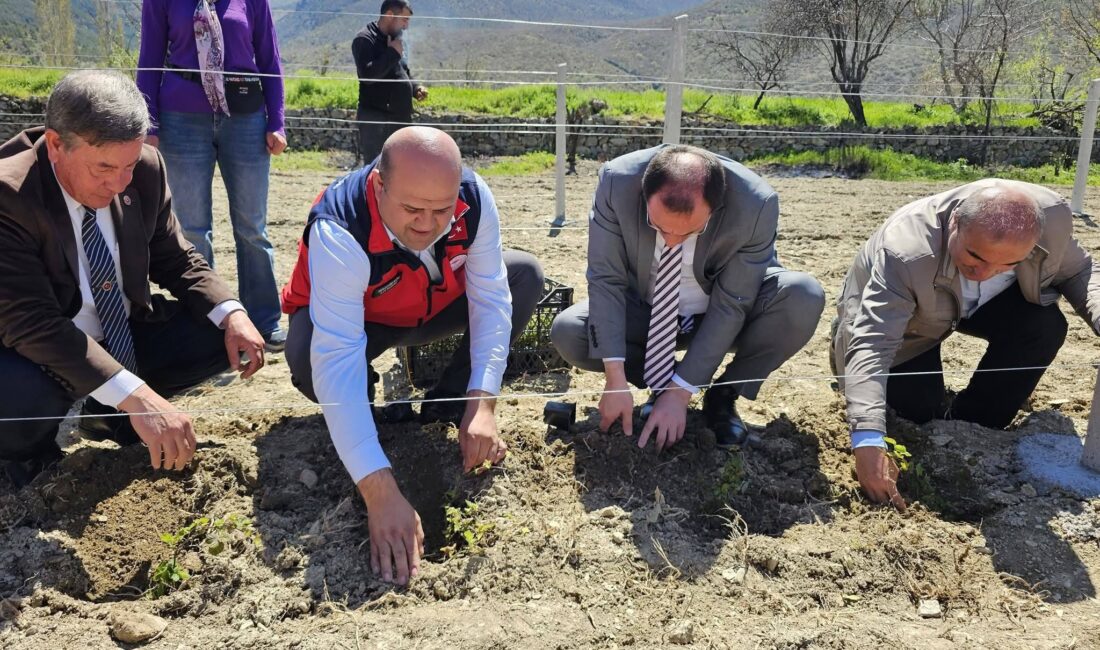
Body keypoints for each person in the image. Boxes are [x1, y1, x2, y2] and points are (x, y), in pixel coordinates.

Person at [280, 126, 543, 585]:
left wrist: (483, 402)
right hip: (366, 317)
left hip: (433, 304)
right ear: (380, 184)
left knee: (525, 275)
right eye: (412, 210)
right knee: (308, 361)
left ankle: (450, 405)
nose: (427, 224)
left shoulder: (474, 199)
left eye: (441, 211)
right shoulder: (340, 227)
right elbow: (337, 355)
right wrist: (378, 492)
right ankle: (367, 426)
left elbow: (491, 299)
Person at [0, 71, 267, 488]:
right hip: (36, 349)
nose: (120, 182)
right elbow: (31, 322)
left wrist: (231, 313)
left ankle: (108, 416)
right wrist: (137, 395)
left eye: (128, 165)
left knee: (219, 332)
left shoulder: (145, 167)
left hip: (120, 331)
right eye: (104, 168)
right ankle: (28, 455)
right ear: (55, 145)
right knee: (18, 401)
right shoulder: (9, 196)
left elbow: (174, 255)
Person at [833, 179, 1100, 511]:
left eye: (1008, 265)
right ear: (955, 223)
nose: (985, 273)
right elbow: (873, 344)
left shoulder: (1050, 219)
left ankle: (978, 420)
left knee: (1044, 327)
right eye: (975, 256)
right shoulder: (907, 251)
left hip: (973, 305)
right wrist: (867, 438)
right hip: (908, 323)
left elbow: (1079, 272)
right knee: (917, 414)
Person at [551, 145, 825, 453]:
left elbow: (731, 304)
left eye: (689, 232)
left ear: (715, 208)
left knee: (803, 297)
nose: (671, 241)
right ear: (644, 194)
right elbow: (606, 280)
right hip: (647, 312)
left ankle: (722, 396)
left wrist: (681, 393)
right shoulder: (617, 183)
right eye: (658, 227)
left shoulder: (756, 204)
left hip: (719, 313)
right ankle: (661, 379)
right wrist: (615, 379)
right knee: (569, 331)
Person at [137, 0, 289, 351]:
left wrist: (277, 122)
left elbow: (270, 59)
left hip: (246, 117)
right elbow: (149, 58)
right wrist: (150, 123)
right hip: (181, 119)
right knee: (191, 229)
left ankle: (264, 320)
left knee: (253, 227)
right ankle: (209, 320)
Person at [352, 0, 428, 164]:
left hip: (399, 118)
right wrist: (392, 52)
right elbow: (367, 76)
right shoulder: (364, 39)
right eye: (404, 20)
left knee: (401, 167)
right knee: (377, 168)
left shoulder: (396, 38)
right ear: (389, 15)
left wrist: (415, 87)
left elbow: (402, 70)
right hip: (376, 121)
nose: (406, 26)